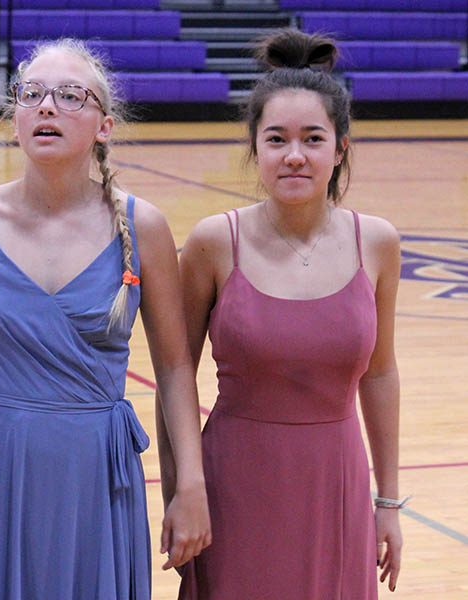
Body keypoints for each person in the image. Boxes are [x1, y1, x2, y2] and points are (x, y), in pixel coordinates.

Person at [0, 38, 210, 599]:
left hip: (95, 471)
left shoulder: (143, 226)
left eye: (69, 96)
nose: (47, 107)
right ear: (15, 118)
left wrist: (191, 486)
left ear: (104, 126)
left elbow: (176, 369)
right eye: (31, 94)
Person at [171, 29, 404, 599]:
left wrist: (389, 502)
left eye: (312, 138)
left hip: (336, 481)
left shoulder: (376, 243)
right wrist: (185, 487)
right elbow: (175, 373)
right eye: (276, 139)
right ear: (255, 147)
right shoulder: (213, 242)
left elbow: (379, 373)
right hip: (233, 481)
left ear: (340, 147)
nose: (294, 155)